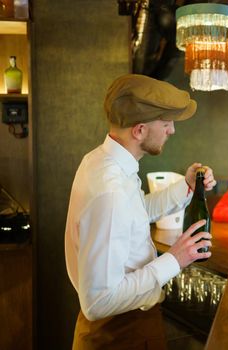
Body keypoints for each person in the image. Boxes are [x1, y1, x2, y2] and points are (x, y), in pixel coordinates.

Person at [64, 74, 217, 349]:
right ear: (140, 130)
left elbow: (134, 213)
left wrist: (187, 186)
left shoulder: (101, 161)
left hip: (127, 326)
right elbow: (99, 301)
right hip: (120, 333)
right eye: (166, 122)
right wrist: (175, 259)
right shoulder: (110, 190)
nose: (172, 130)